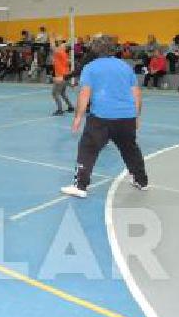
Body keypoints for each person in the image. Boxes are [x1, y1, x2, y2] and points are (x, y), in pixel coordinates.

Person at [61, 36, 149, 198]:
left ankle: (80, 185)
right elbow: (136, 93)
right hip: (126, 117)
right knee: (130, 149)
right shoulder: (125, 66)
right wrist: (136, 116)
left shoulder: (90, 68)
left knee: (88, 148)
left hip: (101, 118)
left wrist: (78, 117)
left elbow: (85, 94)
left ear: (94, 50)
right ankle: (141, 181)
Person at [52, 41, 74, 115]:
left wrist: (52, 38)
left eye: (62, 45)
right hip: (65, 76)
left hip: (61, 76)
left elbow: (53, 47)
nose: (60, 45)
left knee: (55, 93)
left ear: (64, 48)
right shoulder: (64, 54)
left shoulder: (60, 53)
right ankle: (70, 106)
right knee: (62, 93)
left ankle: (60, 110)